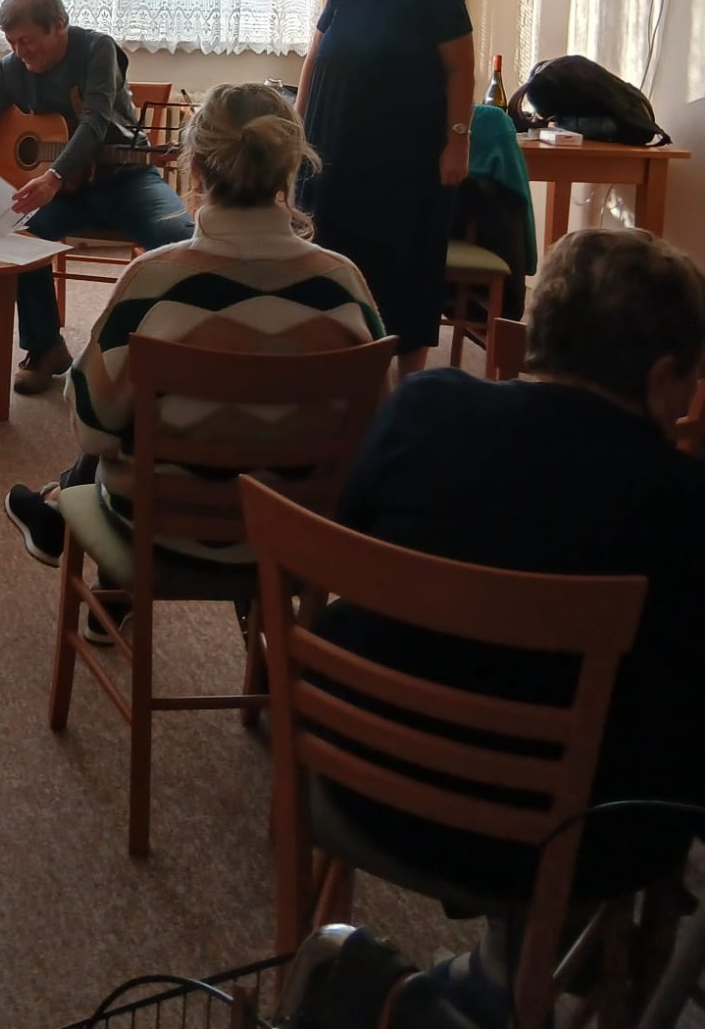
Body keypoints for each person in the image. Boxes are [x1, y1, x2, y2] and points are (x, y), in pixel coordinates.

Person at [318, 228, 705, 1027]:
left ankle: (480, 981)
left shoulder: (422, 408)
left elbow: (350, 542)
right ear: (663, 375)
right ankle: (511, 978)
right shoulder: (682, 505)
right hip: (565, 842)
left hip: (364, 774)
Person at [3, 85, 384, 627]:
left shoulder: (154, 281)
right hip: (297, 533)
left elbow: (92, 431)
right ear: (290, 170)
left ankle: (92, 560)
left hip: (160, 529)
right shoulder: (344, 285)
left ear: (196, 170)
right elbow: (374, 430)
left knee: (121, 415)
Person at [0, 0, 193, 395]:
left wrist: (53, 176)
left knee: (179, 237)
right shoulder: (12, 68)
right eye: (12, 42)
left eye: (27, 40)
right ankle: (45, 348)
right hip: (64, 194)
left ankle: (176, 352)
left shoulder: (96, 49)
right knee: (18, 234)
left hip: (124, 179)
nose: (19, 51)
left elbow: (95, 121)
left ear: (59, 25)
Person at [297, 0, 475, 374]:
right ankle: (334, 369)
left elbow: (461, 70)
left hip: (407, 158)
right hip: (332, 148)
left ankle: (407, 382)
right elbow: (315, 58)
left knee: (405, 267)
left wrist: (458, 141)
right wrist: (297, 128)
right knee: (328, 257)